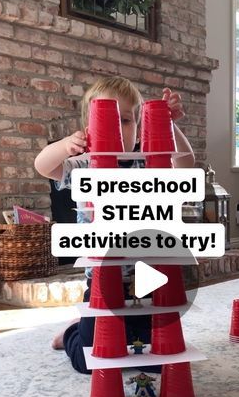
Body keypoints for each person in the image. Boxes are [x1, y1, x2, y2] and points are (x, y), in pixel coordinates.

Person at [34, 76, 195, 374]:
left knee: (157, 358)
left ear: (138, 124)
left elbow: (186, 163)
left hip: (145, 281)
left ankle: (84, 328)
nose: (121, 129)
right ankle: (72, 332)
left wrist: (169, 125)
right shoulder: (84, 164)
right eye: (111, 119)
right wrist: (64, 145)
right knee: (89, 363)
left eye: (127, 120)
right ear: (89, 126)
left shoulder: (146, 163)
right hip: (102, 285)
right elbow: (44, 166)